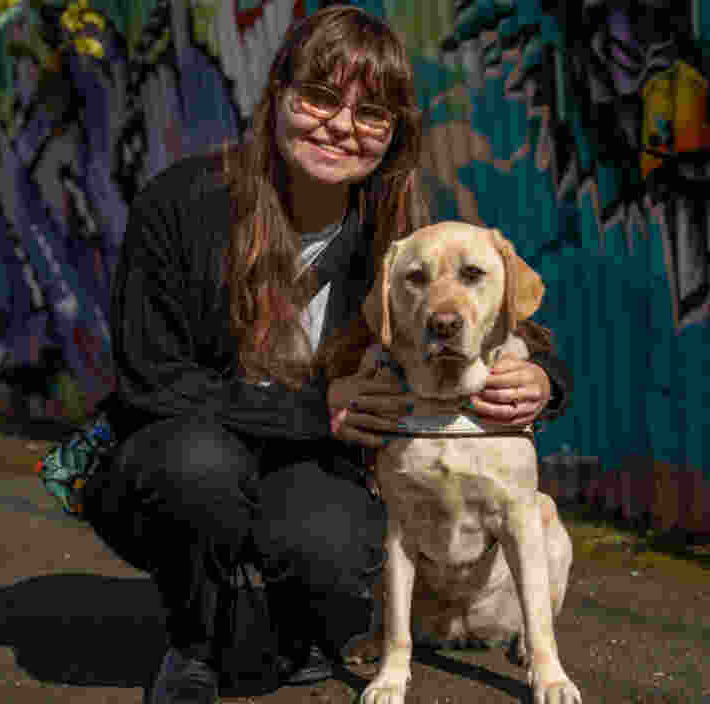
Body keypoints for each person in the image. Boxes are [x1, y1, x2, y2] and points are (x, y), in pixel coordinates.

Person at [83, 5, 574, 704]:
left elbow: (510, 319)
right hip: (177, 450)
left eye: (371, 112)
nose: (341, 125)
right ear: (277, 94)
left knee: (335, 542)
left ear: (393, 133)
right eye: (319, 96)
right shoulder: (183, 202)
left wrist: (546, 382)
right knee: (198, 471)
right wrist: (317, 412)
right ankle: (190, 637)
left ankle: (265, 612)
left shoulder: (399, 226)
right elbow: (150, 380)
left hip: (300, 464)